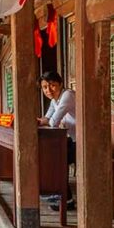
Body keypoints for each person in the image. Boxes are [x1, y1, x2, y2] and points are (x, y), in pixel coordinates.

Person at [37, 70, 76, 211]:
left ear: (60, 84)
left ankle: (66, 199)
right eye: (45, 87)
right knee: (53, 156)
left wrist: (43, 121)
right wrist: (41, 121)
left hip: (82, 141)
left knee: (57, 160)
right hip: (71, 140)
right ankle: (61, 197)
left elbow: (52, 122)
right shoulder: (55, 100)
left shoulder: (67, 95)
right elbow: (46, 118)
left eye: (52, 85)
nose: (48, 90)